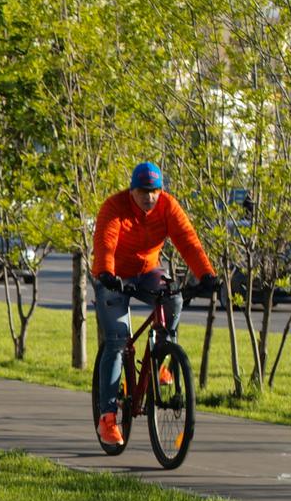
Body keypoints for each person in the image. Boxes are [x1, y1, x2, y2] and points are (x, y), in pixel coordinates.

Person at [92, 161, 217, 446]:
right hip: (113, 276)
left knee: (172, 297)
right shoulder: (114, 207)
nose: (149, 197)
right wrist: (105, 273)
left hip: (148, 270)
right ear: (132, 190)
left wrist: (206, 274)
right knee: (117, 341)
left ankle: (163, 356)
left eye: (155, 191)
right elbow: (105, 243)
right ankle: (108, 418)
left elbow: (187, 241)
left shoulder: (168, 206)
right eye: (143, 191)